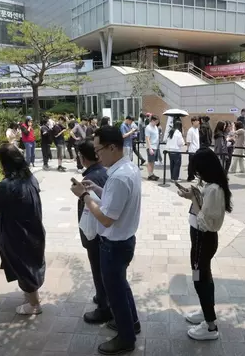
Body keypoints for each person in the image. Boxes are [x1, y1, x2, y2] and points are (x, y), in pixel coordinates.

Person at [70, 126, 141, 355]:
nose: (97, 154)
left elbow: (107, 218)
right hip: (124, 240)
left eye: (99, 149)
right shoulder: (127, 167)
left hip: (114, 244)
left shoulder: (119, 176)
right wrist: (97, 189)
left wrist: (84, 195)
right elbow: (113, 201)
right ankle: (133, 324)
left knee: (116, 293)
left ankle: (126, 338)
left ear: (113, 147)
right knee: (121, 286)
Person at [178, 148, 232, 341]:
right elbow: (205, 213)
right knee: (202, 275)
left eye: (198, 170)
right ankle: (205, 311)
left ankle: (210, 326)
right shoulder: (211, 186)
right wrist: (192, 196)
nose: (197, 174)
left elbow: (206, 223)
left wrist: (193, 198)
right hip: (200, 240)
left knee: (199, 278)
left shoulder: (214, 190)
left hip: (203, 239)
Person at [0, 145, 46, 315]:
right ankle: (32, 297)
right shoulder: (29, 177)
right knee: (31, 262)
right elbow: (19, 196)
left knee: (23, 265)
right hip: (32, 228)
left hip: (16, 232)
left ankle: (34, 305)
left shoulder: (8, 184)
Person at [74, 139, 110, 324]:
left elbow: (90, 209)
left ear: (82, 157)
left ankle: (104, 307)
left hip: (95, 233)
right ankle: (102, 295)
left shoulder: (91, 179)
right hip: (105, 232)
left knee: (98, 269)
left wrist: (82, 195)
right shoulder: (104, 172)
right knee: (103, 269)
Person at [145, 115, 160, 181]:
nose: (156, 123)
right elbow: (147, 138)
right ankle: (150, 175)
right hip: (151, 147)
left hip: (156, 146)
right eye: (156, 122)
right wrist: (150, 148)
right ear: (152, 120)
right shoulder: (148, 128)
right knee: (150, 161)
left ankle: (152, 173)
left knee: (153, 162)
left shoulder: (155, 127)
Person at [186, 116, 200, 182]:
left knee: (195, 164)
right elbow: (188, 141)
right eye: (197, 121)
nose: (198, 122)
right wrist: (187, 149)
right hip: (192, 150)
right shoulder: (190, 130)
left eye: (198, 121)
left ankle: (194, 175)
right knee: (191, 164)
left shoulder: (197, 129)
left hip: (197, 150)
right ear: (193, 122)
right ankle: (190, 177)